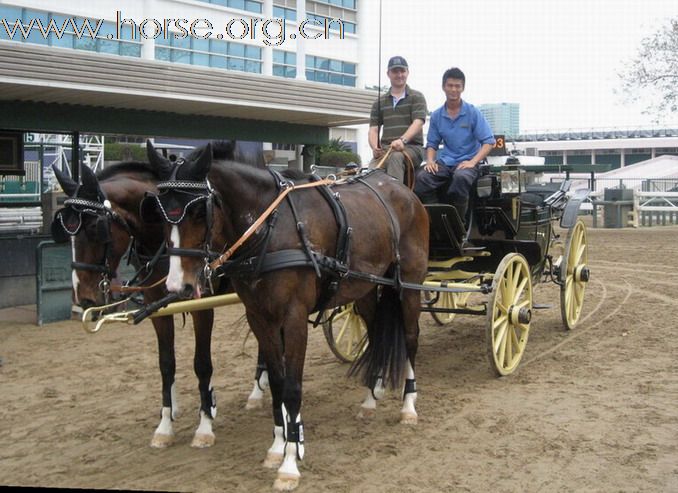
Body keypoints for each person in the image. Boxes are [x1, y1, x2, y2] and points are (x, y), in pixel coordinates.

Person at [414, 67, 496, 224]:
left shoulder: (473, 112)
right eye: (450, 85)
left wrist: (472, 162)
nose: (453, 89)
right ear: (443, 87)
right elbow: (432, 144)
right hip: (446, 161)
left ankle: (457, 225)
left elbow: (489, 142)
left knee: (460, 178)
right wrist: (430, 161)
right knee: (421, 178)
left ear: (463, 88)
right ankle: (438, 220)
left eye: (457, 86)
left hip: (467, 163)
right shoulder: (437, 115)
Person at [368, 56, 428, 184]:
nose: (399, 75)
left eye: (402, 71)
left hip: (412, 148)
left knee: (396, 157)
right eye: (395, 71)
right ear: (388, 74)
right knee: (370, 171)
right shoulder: (379, 102)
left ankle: (395, 201)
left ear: (408, 72)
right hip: (386, 149)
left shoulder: (417, 97)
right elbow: (373, 130)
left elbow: (418, 122)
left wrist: (402, 140)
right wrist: (374, 147)